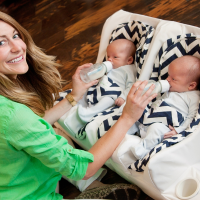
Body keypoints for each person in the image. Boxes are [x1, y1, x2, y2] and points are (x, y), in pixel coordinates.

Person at [0, 11, 157, 200]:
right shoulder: (13, 114)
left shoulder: (10, 107)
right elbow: (83, 168)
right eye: (1, 42)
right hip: (31, 194)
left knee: (57, 134)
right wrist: (128, 117)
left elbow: (33, 125)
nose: (17, 47)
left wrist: (74, 96)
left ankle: (92, 188)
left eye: (15, 35)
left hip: (14, 179)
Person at [131, 55, 200, 160]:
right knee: (135, 114)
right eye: (168, 75)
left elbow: (192, 117)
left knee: (156, 129)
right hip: (151, 116)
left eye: (173, 78)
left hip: (166, 125)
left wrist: (179, 130)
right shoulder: (170, 89)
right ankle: (122, 134)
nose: (167, 79)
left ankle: (142, 151)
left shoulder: (193, 96)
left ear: (191, 86)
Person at [78, 39, 137, 123]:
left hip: (113, 93)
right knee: (85, 90)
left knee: (107, 101)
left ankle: (87, 115)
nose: (109, 59)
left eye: (115, 57)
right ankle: (77, 103)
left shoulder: (128, 69)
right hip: (101, 88)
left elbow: (131, 86)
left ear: (129, 60)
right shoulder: (108, 67)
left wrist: (123, 97)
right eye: (108, 56)